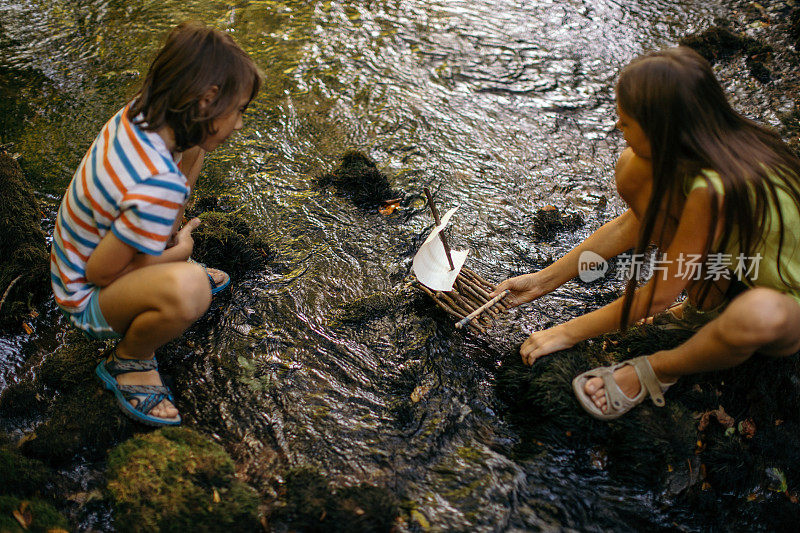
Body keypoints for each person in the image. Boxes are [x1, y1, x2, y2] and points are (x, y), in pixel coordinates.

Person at [491, 46, 800, 420]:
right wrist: (544, 280)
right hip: (744, 267)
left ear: (660, 131)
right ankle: (703, 310)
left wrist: (568, 331)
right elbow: (635, 223)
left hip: (787, 308)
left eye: (625, 123)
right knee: (632, 168)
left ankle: (658, 370)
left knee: (754, 315)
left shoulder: (713, 190)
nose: (619, 129)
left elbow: (656, 297)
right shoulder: (713, 145)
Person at [50, 22, 262, 426]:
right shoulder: (156, 183)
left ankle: (160, 261)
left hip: (78, 254)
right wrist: (180, 254)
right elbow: (99, 272)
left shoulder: (142, 115)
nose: (238, 124)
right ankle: (128, 361)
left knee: (196, 149)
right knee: (190, 290)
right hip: (83, 294)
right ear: (207, 100)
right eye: (239, 110)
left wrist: (166, 237)